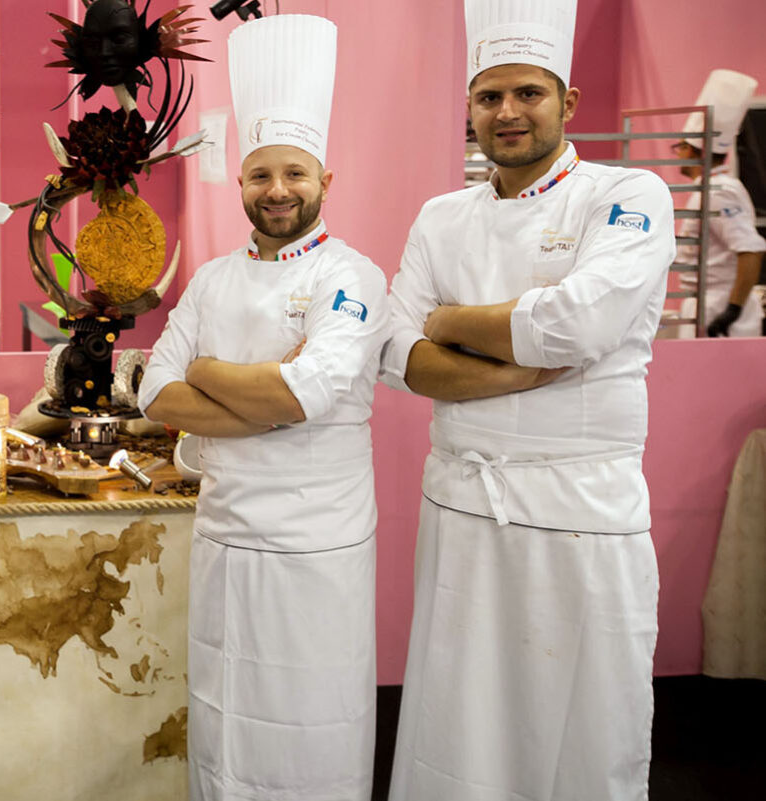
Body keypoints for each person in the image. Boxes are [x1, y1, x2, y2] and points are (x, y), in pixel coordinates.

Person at [379, 0, 675, 798]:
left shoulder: (629, 193)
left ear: (567, 102)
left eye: (528, 92)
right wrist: (516, 366)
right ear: (470, 107)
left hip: (582, 510)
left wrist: (449, 323)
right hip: (462, 507)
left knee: (584, 724)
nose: (507, 111)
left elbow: (580, 322)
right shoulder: (441, 217)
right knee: (459, 720)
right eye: (489, 96)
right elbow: (396, 353)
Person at [138, 14, 385, 800]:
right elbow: (154, 391)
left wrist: (208, 372)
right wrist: (270, 396)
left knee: (310, 723)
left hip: (317, 546)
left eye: (295, 173)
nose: (278, 190)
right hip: (225, 537)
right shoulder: (213, 278)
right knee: (224, 717)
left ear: (325, 181)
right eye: (261, 175)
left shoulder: (352, 276)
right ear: (240, 182)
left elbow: (305, 392)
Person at [673, 68, 766, 338]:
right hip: (705, 303)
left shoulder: (719, 191)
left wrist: (732, 311)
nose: (677, 154)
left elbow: (750, 250)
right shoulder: (706, 188)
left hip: (721, 308)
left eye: (679, 147)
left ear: (691, 150)